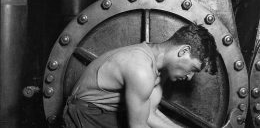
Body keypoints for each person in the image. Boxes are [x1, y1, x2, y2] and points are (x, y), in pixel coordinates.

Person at [63, 24, 217, 128]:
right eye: (193, 69)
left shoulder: (157, 66)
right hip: (84, 114)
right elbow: (138, 126)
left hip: (103, 113)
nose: (189, 77)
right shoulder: (141, 69)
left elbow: (149, 114)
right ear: (183, 51)